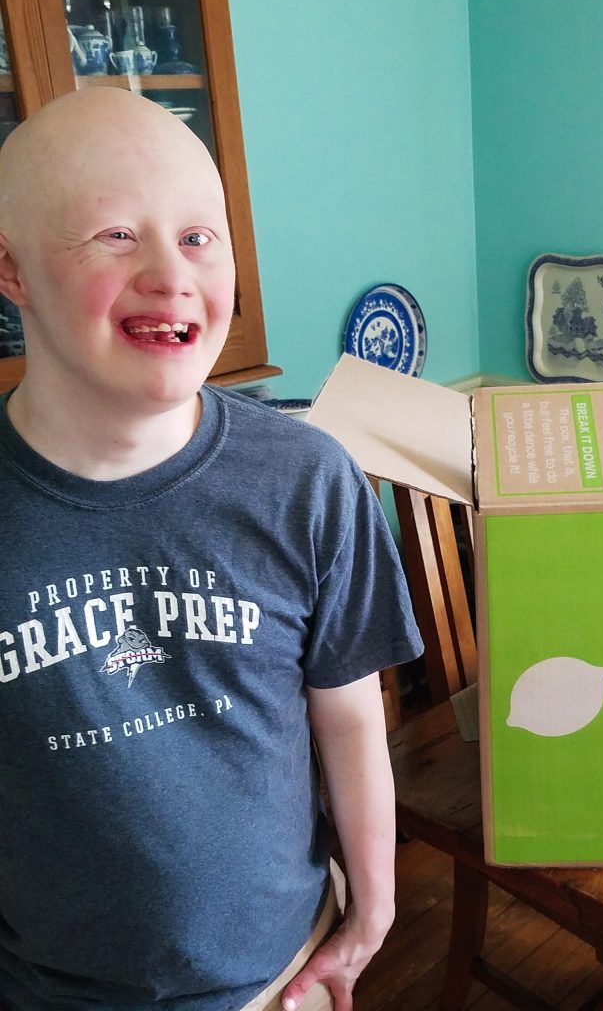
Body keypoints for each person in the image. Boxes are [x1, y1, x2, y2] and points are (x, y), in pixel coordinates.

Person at [0, 87, 422, 1011]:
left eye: (198, 237)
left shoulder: (308, 480)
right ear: (14, 270)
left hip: (284, 976)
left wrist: (374, 913)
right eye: (113, 235)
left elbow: (349, 721)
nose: (169, 273)